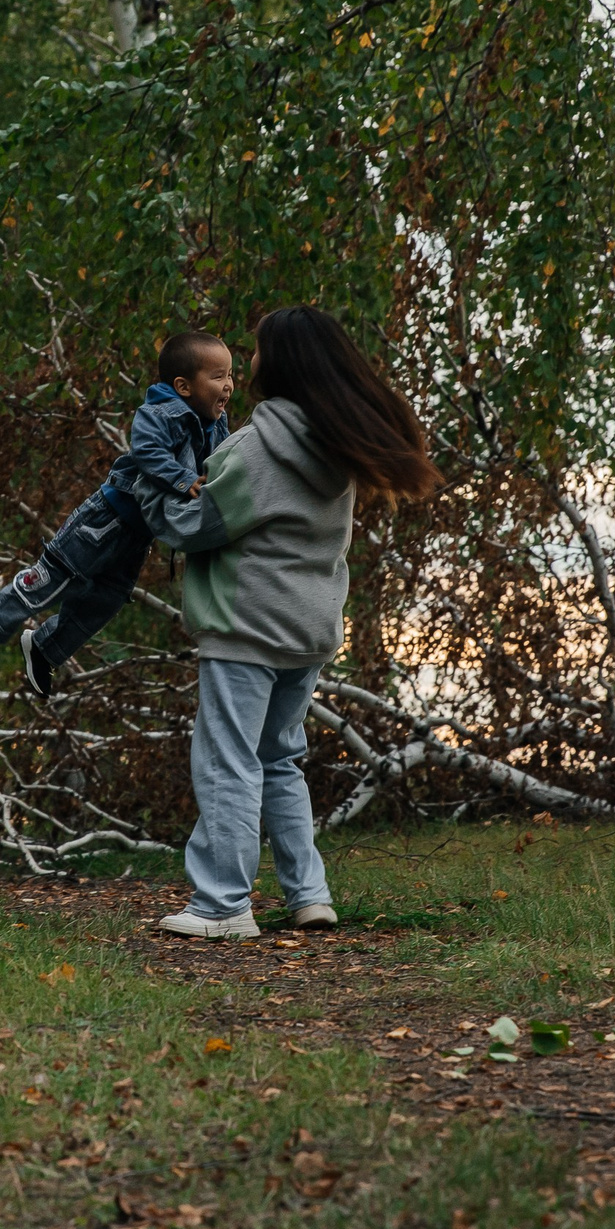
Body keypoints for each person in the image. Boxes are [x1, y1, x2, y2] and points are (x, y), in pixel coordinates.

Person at [141, 306, 441, 938]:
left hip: (246, 627)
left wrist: (146, 486)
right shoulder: (333, 442)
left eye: (253, 350)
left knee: (228, 760)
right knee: (279, 760)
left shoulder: (257, 448)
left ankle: (222, 906)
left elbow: (191, 527)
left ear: (279, 362)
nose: (245, 363)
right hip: (307, 629)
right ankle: (310, 894)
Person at [0, 331, 236, 696]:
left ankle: (46, 647)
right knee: (56, 578)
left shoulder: (216, 423)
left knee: (105, 601)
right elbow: (147, 450)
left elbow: (218, 463)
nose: (229, 385)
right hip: (104, 519)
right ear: (183, 386)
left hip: (137, 536)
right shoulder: (161, 412)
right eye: (218, 377)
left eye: (231, 375)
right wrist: (183, 480)